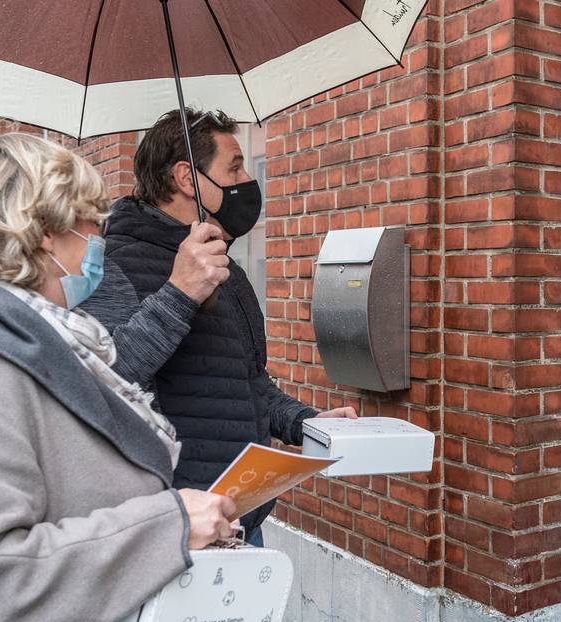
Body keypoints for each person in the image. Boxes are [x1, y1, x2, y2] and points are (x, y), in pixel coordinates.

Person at [0, 131, 235, 622]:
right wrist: (168, 528)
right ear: (43, 232)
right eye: (92, 221)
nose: (100, 239)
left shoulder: (27, 341)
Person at [80, 109, 356, 547]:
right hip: (173, 530)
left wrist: (306, 423)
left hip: (242, 518)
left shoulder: (225, 269)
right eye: (235, 168)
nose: (248, 180)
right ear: (187, 179)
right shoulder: (113, 266)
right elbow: (105, 382)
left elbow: (248, 383)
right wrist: (180, 292)